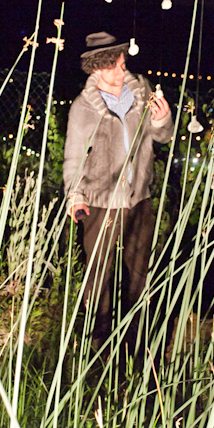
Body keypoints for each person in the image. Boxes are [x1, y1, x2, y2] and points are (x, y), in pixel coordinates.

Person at [63, 32, 174, 350]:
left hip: (139, 198)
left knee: (139, 271)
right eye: (114, 64)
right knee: (98, 273)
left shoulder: (142, 92)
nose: (121, 68)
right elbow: (73, 157)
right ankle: (98, 342)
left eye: (122, 61)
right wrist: (76, 197)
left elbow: (162, 136)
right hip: (101, 202)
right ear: (97, 68)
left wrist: (162, 119)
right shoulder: (83, 108)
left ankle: (135, 339)